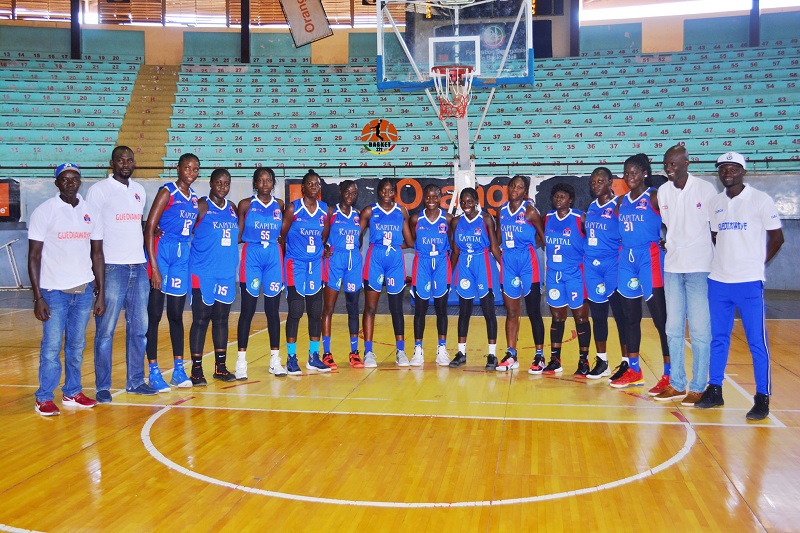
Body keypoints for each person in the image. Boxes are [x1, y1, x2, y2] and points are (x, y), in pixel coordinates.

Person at [695, 151, 784, 421]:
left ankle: (762, 397)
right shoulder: (715, 203)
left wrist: (758, 264)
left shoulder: (760, 199)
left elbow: (777, 238)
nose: (727, 172)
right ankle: (715, 389)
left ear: (743, 171)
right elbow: (714, 236)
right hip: (719, 281)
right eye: (723, 168)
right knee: (718, 338)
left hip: (748, 282)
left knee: (757, 342)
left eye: (733, 168)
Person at [28, 163, 105, 415]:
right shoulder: (44, 211)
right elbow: (34, 256)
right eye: (64, 179)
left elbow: (97, 254)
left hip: (83, 291)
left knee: (76, 346)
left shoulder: (90, 211)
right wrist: (38, 296)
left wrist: (100, 291)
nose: (70, 183)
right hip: (53, 292)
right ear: (57, 183)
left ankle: (72, 392)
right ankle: (44, 397)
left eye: (74, 179)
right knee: (51, 348)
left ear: (80, 182)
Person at [87, 146, 157, 401]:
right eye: (121, 160)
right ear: (112, 163)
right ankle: (102, 386)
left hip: (138, 267)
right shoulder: (98, 191)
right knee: (105, 331)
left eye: (129, 160)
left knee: (139, 329)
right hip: (112, 268)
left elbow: (134, 225)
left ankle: (136, 381)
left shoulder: (139, 191)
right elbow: (92, 236)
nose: (125, 164)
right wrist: (98, 278)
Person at [653, 146, 716, 406]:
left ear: (686, 163)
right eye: (666, 163)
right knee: (672, 328)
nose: (669, 167)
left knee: (700, 330)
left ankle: (699, 386)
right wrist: (668, 243)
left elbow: (715, 228)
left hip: (700, 266)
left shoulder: (706, 189)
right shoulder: (663, 191)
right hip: (673, 266)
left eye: (673, 163)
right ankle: (677, 384)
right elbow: (669, 225)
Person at [610, 154, 670, 390]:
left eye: (634, 172)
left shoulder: (655, 196)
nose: (630, 177)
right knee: (629, 317)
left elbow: (673, 222)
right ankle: (634, 370)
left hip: (650, 257)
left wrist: (668, 241)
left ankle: (669, 374)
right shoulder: (621, 201)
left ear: (645, 172)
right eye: (626, 173)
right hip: (627, 259)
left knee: (660, 318)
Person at [144, 153, 200, 387]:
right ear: (177, 169)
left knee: (176, 315)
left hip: (181, 255)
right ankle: (154, 370)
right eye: (186, 167)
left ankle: (178, 369)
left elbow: (193, 226)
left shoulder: (195, 199)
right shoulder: (167, 191)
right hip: (162, 253)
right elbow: (149, 227)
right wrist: (154, 266)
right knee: (155, 315)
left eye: (195, 168)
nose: (191, 171)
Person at [188, 169, 239, 385]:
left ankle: (220, 366)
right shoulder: (201, 206)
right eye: (219, 182)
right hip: (203, 272)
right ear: (210, 183)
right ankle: (197, 369)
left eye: (226, 183)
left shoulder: (233, 209)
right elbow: (182, 230)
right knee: (200, 319)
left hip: (225, 274)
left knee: (221, 320)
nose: (222, 187)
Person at [279, 169, 330, 374]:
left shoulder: (324, 209)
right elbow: (281, 236)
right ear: (302, 188)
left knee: (316, 312)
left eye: (317, 184)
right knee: (296, 311)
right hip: (296, 265)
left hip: (315, 265)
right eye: (310, 184)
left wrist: (322, 250)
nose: (314, 187)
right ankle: (291, 358)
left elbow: (323, 235)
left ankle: (313, 356)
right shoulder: (293, 209)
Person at [237, 167, 286, 378]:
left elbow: (283, 233)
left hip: (273, 257)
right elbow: (237, 235)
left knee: (272, 311)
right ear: (255, 183)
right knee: (247, 310)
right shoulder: (246, 205)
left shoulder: (280, 205)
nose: (265, 184)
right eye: (261, 180)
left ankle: (275, 360)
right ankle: (241, 363)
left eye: (268, 180)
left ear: (273, 183)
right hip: (253, 256)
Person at [359, 178, 414, 367]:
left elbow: (410, 241)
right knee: (370, 307)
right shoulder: (369, 211)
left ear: (395, 193)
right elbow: (356, 234)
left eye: (391, 190)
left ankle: (400, 351)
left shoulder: (401, 212)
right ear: (378, 192)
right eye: (384, 190)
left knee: (396, 307)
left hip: (395, 260)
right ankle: (368, 352)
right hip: (375, 257)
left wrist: (396, 246)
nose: (387, 193)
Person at [495, 175, 546, 372]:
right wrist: (502, 257)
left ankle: (539, 356)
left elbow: (543, 238)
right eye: (513, 186)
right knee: (512, 311)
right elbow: (498, 237)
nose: (515, 189)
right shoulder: (502, 212)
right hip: (509, 262)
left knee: (533, 311)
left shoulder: (530, 212)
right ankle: (511, 354)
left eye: (520, 187)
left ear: (525, 192)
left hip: (528, 261)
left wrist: (527, 246)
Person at [541, 183, 592, 375]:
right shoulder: (547, 218)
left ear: (570, 199)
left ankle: (584, 361)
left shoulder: (580, 218)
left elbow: (594, 238)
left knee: (580, 317)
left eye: (562, 196)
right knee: (557, 316)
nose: (558, 200)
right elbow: (538, 238)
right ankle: (555, 359)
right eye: (556, 196)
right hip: (554, 274)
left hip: (575, 274)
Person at [450, 187, 502, 368]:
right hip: (465, 263)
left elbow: (494, 246)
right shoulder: (456, 222)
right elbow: (455, 250)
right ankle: (461, 352)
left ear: (477, 202)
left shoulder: (486, 219)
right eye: (463, 202)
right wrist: (449, 272)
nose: (466, 205)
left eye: (470, 201)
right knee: (464, 311)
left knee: (488, 310)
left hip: (482, 263)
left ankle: (492, 355)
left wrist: (505, 266)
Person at [583, 167, 627, 379]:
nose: (595, 185)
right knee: (598, 316)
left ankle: (627, 362)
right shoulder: (591, 206)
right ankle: (602, 361)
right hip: (593, 268)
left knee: (620, 316)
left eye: (600, 181)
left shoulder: (619, 205)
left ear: (611, 182)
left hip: (613, 265)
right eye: (593, 182)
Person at [321, 180, 364, 368]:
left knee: (353, 307)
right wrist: (325, 248)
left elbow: (359, 239)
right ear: (340, 192)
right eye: (347, 191)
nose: (350, 195)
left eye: (354, 193)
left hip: (353, 260)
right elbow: (322, 235)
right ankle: (327, 353)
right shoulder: (331, 212)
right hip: (335, 260)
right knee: (328, 306)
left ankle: (354, 353)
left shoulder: (357, 215)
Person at [409, 184, 453, 367]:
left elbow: (452, 242)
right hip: (422, 264)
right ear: (423, 198)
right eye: (428, 197)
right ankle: (418, 349)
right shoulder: (415, 219)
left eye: (435, 197)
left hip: (442, 263)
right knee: (420, 308)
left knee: (441, 309)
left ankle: (441, 349)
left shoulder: (449, 219)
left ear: (441, 197)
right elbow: (411, 241)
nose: (431, 200)